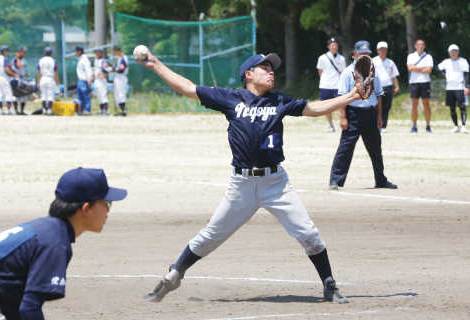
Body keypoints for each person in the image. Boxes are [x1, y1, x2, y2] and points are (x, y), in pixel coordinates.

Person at [136, 51, 362, 304]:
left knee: (309, 233)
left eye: (272, 67)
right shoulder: (231, 98)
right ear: (248, 74)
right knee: (211, 235)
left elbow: (315, 108)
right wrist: (156, 64)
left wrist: (353, 95)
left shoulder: (279, 101)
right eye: (264, 67)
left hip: (276, 184)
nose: (271, 71)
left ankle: (329, 284)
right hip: (241, 185)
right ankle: (174, 275)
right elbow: (188, 88)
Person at [0, 167, 127, 320]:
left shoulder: (45, 229)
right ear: (86, 208)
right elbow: (29, 307)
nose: (108, 211)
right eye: (107, 203)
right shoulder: (55, 242)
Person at [329, 40, 397, 191]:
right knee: (345, 148)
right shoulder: (348, 72)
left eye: (367, 54)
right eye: (362, 54)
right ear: (355, 54)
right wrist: (343, 117)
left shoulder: (374, 72)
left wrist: (379, 116)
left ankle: (381, 180)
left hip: (370, 114)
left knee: (375, 149)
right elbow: (342, 97)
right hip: (353, 114)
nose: (365, 56)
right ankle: (335, 180)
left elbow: (378, 95)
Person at [437, 44, 469, 133]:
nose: (453, 53)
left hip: (460, 87)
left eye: (455, 51)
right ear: (449, 53)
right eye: (452, 51)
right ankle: (455, 126)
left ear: (458, 52)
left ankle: (463, 125)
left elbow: (466, 75)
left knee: (462, 106)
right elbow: (438, 68)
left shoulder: (463, 61)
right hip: (450, 88)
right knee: (452, 107)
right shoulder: (446, 62)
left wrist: (467, 86)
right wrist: (444, 74)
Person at [316, 37, 346, 132]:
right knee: (326, 106)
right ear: (328, 46)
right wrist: (325, 80)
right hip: (325, 85)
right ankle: (330, 125)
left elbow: (342, 72)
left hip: (337, 85)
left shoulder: (341, 58)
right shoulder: (322, 58)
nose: (334, 47)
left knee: (341, 105)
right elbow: (320, 71)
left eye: (336, 45)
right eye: (332, 45)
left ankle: (342, 122)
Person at [372, 41, 400, 133]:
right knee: (376, 107)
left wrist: (397, 86)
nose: (383, 51)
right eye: (381, 49)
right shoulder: (373, 61)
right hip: (377, 87)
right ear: (377, 51)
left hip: (388, 86)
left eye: (384, 49)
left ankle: (383, 126)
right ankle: (375, 125)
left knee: (386, 107)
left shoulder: (390, 62)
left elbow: (393, 75)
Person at [407, 39, 433, 133]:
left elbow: (429, 70)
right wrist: (423, 68)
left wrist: (416, 68)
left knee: (426, 104)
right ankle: (414, 125)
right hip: (414, 82)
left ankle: (428, 125)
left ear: (424, 46)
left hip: (425, 82)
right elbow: (410, 68)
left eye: (422, 44)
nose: (420, 46)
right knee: (415, 104)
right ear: (415, 46)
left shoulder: (428, 57)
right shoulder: (411, 56)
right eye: (419, 44)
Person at [0, 45, 19, 115]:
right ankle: (8, 110)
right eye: (7, 51)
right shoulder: (5, 58)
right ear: (4, 51)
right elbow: (7, 69)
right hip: (4, 78)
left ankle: (1, 110)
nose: (7, 52)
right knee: (8, 94)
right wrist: (14, 74)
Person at [37, 47, 60, 116]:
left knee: (43, 95)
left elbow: (38, 70)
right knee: (50, 95)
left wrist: (38, 80)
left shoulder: (41, 60)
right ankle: (49, 110)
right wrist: (57, 81)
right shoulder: (53, 60)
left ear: (44, 53)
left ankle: (44, 110)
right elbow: (55, 71)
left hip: (43, 78)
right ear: (51, 53)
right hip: (50, 78)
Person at [11, 45, 29, 115]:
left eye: (25, 51)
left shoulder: (24, 59)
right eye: (23, 51)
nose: (25, 52)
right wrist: (18, 58)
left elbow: (24, 69)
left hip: (24, 78)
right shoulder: (15, 59)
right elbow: (18, 66)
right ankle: (16, 111)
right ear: (19, 52)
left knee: (24, 95)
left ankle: (22, 111)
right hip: (17, 78)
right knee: (16, 95)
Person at [75, 45, 93, 115]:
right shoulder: (80, 59)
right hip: (80, 81)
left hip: (84, 81)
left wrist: (89, 80)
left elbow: (88, 70)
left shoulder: (85, 59)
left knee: (86, 97)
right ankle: (81, 110)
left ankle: (87, 110)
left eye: (76, 51)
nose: (76, 53)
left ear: (79, 51)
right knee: (80, 97)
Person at [93, 47, 111, 115]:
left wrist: (103, 76)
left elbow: (107, 70)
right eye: (96, 52)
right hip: (97, 80)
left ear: (101, 53)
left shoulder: (103, 60)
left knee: (103, 95)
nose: (96, 53)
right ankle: (102, 111)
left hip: (102, 80)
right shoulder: (96, 60)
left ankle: (106, 111)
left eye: (98, 52)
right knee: (99, 96)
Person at [112, 45, 129, 116]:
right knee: (117, 94)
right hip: (118, 77)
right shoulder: (120, 58)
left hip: (121, 78)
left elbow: (121, 70)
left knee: (121, 94)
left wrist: (113, 69)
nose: (115, 54)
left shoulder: (123, 58)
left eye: (115, 52)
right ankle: (121, 110)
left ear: (118, 51)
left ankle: (123, 111)